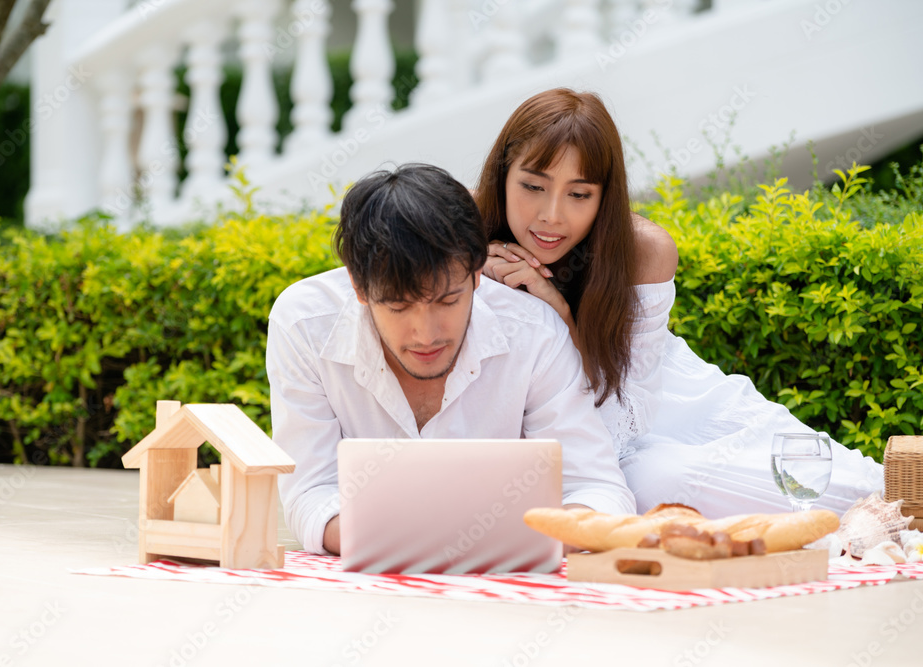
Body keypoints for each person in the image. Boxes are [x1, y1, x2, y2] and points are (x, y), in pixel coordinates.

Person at [474, 88, 883, 518]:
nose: (551, 215)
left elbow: (619, 432)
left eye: (579, 194)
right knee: (650, 485)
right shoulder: (462, 234)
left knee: (871, 493)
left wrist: (557, 313)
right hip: (621, 463)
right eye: (533, 186)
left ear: (604, 195)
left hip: (674, 415)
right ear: (502, 175)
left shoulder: (641, 252)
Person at [266, 163, 635, 556]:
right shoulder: (304, 324)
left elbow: (597, 489)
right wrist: (434, 541)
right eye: (398, 306)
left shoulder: (534, 333)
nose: (426, 334)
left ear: (477, 274)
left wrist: (494, 542)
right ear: (358, 286)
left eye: (448, 300)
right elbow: (311, 492)